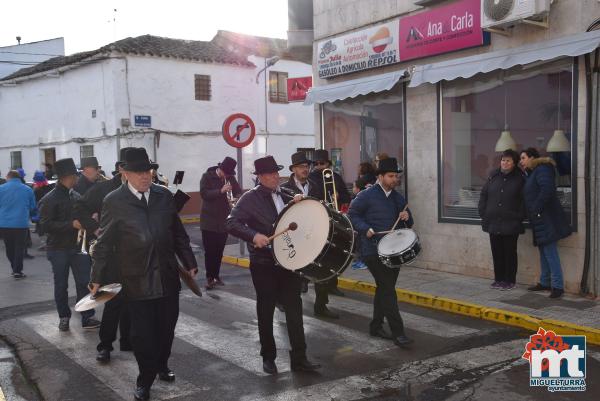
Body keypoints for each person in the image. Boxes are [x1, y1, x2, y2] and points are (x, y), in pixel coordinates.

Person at [89, 148, 198, 401]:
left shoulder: (163, 196)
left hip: (168, 278)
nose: (145, 176)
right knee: (142, 336)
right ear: (124, 173)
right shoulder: (114, 201)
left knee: (167, 329)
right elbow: (103, 244)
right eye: (138, 172)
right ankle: (144, 379)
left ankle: (161, 364)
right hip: (136, 280)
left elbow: (178, 233)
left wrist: (189, 261)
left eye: (148, 170)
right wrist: (96, 277)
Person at [226, 155, 321, 375]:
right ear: (259, 177)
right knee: (266, 309)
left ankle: (300, 358)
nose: (275, 177)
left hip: (288, 262)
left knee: (295, 309)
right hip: (264, 263)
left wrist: (299, 205)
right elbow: (231, 222)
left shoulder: (286, 193)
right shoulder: (249, 198)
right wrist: (253, 235)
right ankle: (268, 357)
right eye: (269, 174)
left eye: (276, 173)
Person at [73, 147, 134, 363]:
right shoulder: (104, 189)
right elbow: (79, 206)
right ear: (121, 169)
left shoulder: (145, 190)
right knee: (114, 301)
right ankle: (105, 346)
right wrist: (94, 227)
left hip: (137, 257)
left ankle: (128, 340)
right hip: (112, 256)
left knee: (133, 301)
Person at [348, 157, 414, 347]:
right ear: (380, 176)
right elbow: (352, 215)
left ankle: (376, 325)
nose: (395, 179)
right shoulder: (366, 195)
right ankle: (399, 333)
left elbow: (410, 223)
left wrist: (406, 217)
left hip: (393, 251)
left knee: (384, 289)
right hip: (371, 250)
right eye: (391, 176)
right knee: (388, 290)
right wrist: (365, 228)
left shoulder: (397, 197)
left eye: (396, 176)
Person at [39, 158, 101, 331]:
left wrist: (91, 219)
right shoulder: (49, 199)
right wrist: (70, 224)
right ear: (67, 176)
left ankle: (87, 317)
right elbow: (44, 226)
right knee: (61, 285)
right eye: (75, 175)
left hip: (77, 248)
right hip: (58, 249)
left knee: (84, 282)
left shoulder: (76, 195)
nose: (77, 178)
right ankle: (64, 317)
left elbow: (83, 216)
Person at [281, 152, 339, 317]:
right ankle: (287, 302)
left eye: (307, 166)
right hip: (295, 235)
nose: (305, 169)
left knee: (322, 267)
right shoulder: (285, 188)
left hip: (314, 232)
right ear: (293, 169)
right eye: (301, 167)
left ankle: (321, 306)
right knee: (293, 273)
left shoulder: (315, 185)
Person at [522, 149, 572, 299]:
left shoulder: (543, 169)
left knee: (550, 252)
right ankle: (544, 282)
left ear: (532, 158)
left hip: (546, 218)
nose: (521, 161)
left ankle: (558, 286)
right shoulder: (534, 172)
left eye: (523, 158)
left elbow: (547, 190)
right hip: (540, 218)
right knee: (543, 251)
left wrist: (536, 209)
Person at [478, 149, 526, 291]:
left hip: (511, 222)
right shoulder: (493, 176)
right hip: (493, 221)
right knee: (496, 252)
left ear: (514, 163)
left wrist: (519, 216)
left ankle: (510, 281)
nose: (504, 163)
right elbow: (484, 194)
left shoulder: (520, 178)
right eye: (503, 160)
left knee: (509, 253)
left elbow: (525, 200)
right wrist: (483, 212)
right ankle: (498, 279)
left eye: (508, 161)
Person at [308, 149, 350, 298]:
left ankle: (333, 284)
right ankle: (312, 284)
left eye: (322, 163)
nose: (319, 166)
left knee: (334, 253)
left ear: (328, 164)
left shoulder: (335, 177)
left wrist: (339, 197)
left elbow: (346, 196)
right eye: (316, 164)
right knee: (319, 255)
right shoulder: (310, 179)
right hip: (317, 220)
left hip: (334, 220)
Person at [199, 156, 242, 290]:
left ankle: (216, 276)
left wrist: (235, 198)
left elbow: (238, 191)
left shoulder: (230, 178)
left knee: (219, 251)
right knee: (210, 251)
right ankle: (209, 278)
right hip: (208, 221)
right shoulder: (207, 176)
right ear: (220, 169)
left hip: (223, 220)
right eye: (226, 173)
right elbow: (204, 194)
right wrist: (220, 191)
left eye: (229, 174)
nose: (227, 176)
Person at [0, 170, 36, 279]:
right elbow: (33, 207)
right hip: (21, 223)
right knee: (19, 248)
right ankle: (17, 271)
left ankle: (14, 268)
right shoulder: (28, 189)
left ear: (8, 177)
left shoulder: (1, 189)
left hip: (5, 223)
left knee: (9, 247)